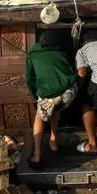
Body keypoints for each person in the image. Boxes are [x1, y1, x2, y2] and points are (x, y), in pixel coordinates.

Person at [23, 29, 78, 166]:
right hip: (67, 93)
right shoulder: (62, 54)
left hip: (48, 95)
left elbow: (29, 79)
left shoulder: (31, 56)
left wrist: (37, 93)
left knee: (40, 116)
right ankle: (53, 141)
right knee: (56, 110)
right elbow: (71, 72)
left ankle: (36, 155)